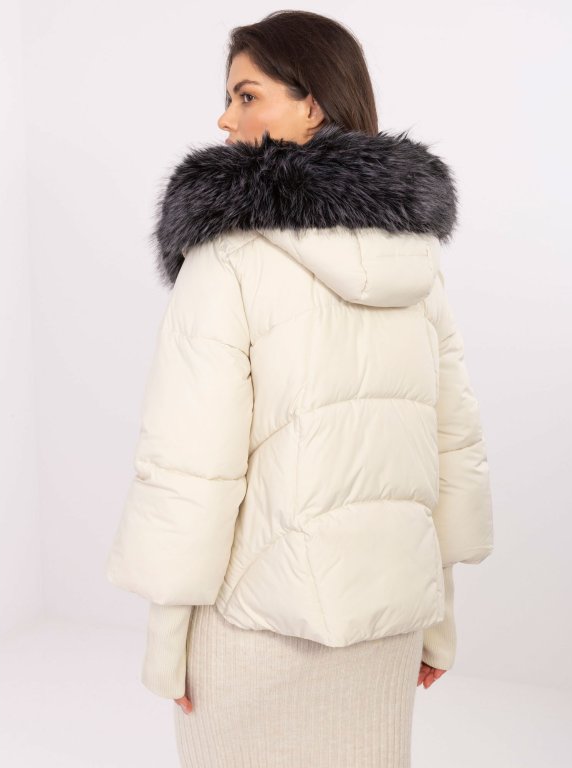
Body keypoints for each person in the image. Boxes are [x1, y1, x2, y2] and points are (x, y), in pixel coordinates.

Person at [104, 10, 494, 768]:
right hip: (388, 621)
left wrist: (168, 635)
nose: (225, 119)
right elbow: (447, 444)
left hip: (254, 626)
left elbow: (192, 461)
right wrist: (438, 617)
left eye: (246, 95)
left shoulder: (227, 258)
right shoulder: (415, 260)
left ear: (311, 104)